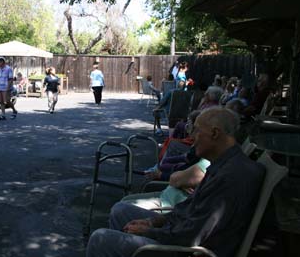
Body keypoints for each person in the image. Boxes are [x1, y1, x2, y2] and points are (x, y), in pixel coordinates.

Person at [86, 107, 265, 257]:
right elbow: (188, 209)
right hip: (179, 232)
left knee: (100, 238)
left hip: (187, 250)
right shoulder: (223, 164)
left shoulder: (230, 176)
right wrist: (154, 222)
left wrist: (149, 231)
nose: (191, 136)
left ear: (214, 133)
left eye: (196, 130)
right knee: (120, 210)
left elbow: (192, 237)